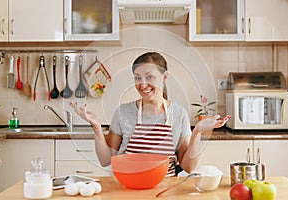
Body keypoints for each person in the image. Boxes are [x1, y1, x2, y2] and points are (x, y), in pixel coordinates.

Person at [70, 52, 226, 177]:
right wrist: (96, 127)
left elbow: (188, 167)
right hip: (128, 187)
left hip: (165, 190)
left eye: (150, 77)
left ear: (164, 77)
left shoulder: (178, 114)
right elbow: (105, 160)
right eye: (138, 78)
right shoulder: (123, 112)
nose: (142, 84)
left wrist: (197, 131)